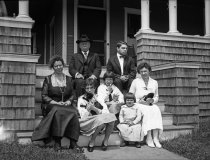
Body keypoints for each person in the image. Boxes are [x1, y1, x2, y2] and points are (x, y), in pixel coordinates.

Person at [32, 56, 82, 152]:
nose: (59, 67)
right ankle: (57, 141)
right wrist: (56, 102)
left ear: (63, 66)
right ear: (53, 67)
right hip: (51, 104)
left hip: (66, 105)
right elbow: (44, 96)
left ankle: (73, 142)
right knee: (58, 111)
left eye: (60, 65)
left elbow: (73, 94)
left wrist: (68, 101)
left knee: (74, 112)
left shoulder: (69, 79)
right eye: (56, 66)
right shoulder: (48, 79)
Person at [129, 62, 163, 148]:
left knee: (156, 110)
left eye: (145, 71)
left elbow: (156, 97)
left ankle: (156, 138)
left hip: (150, 103)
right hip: (138, 104)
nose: (143, 73)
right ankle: (149, 137)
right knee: (147, 111)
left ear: (149, 71)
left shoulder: (154, 82)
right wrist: (139, 101)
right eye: (141, 72)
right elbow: (130, 95)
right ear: (139, 72)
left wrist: (152, 100)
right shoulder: (135, 81)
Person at [77, 78, 116, 152]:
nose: (89, 90)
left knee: (111, 117)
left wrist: (95, 109)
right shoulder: (81, 99)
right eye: (87, 88)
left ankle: (105, 140)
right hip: (87, 122)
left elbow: (106, 112)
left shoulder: (99, 97)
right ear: (85, 89)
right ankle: (92, 140)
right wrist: (88, 109)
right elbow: (83, 117)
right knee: (101, 120)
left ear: (94, 88)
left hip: (99, 119)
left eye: (91, 88)